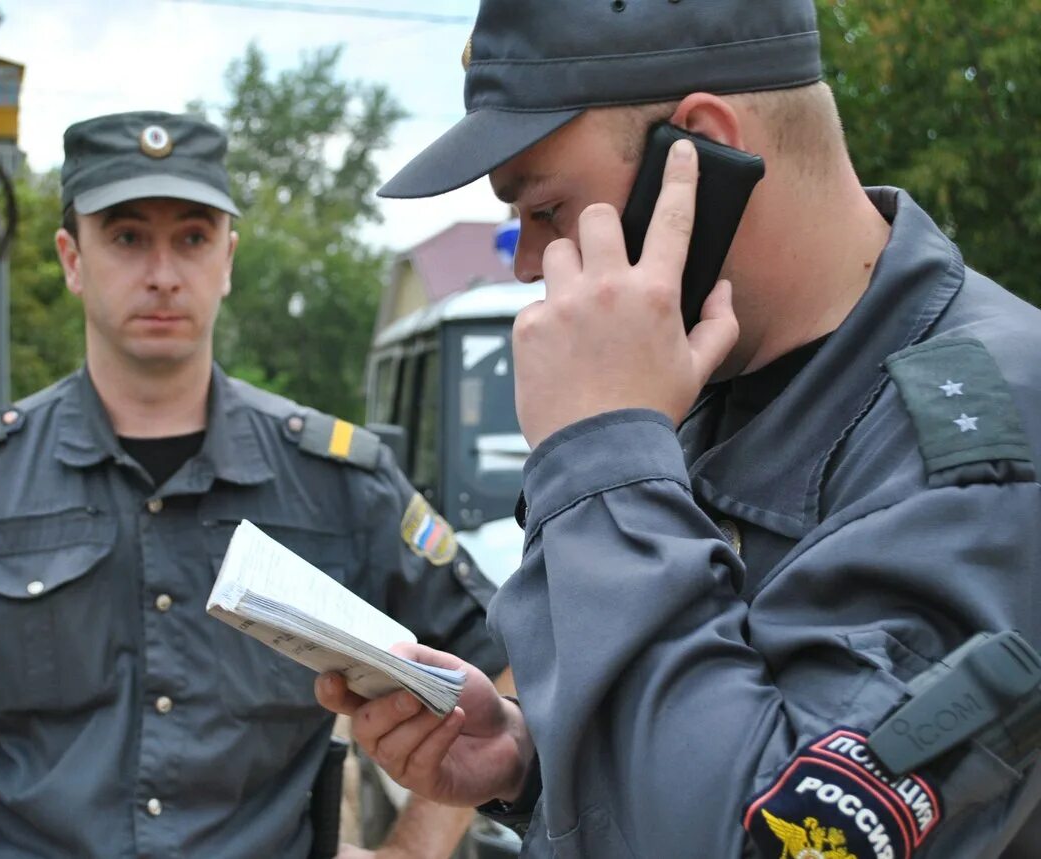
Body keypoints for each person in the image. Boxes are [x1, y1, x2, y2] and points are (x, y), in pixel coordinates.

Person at [316, 1, 1041, 857]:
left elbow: (772, 834)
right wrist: (530, 761)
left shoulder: (988, 443)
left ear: (694, 153)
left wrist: (606, 459)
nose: (521, 262)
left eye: (545, 207)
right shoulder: (692, 389)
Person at [0, 110, 509, 859]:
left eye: (192, 238)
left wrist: (412, 850)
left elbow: (495, 654)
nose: (162, 273)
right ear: (71, 257)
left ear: (226, 258)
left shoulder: (339, 484)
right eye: (126, 237)